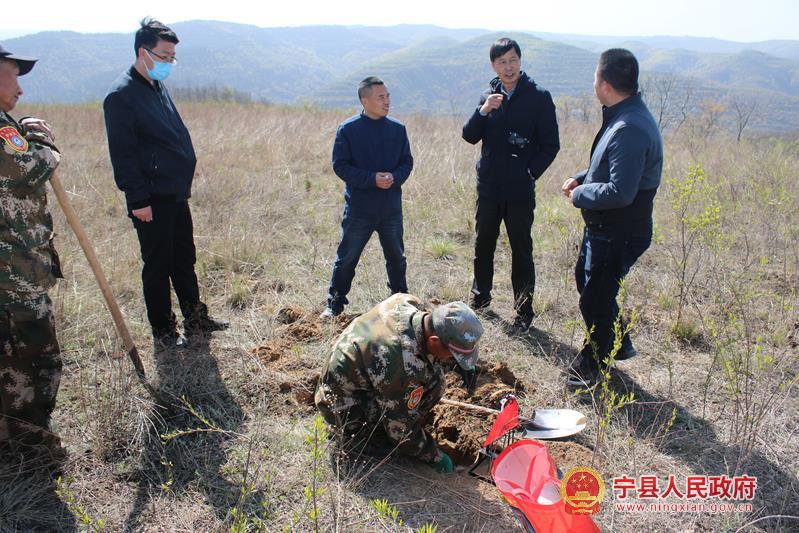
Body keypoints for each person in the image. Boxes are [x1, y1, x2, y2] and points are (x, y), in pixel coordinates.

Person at [103, 19, 227, 351]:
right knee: (158, 265)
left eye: (173, 57)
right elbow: (124, 155)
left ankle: (195, 317)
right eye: (163, 55)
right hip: (151, 198)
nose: (168, 62)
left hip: (174, 192)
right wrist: (138, 199)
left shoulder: (156, 87)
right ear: (143, 52)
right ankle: (163, 331)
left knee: (184, 258)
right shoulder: (121, 96)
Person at [562, 49, 663, 386]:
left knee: (595, 297)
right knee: (589, 284)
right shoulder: (622, 114)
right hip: (604, 227)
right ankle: (619, 342)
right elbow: (609, 166)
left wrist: (579, 195)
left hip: (619, 230)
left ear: (604, 84)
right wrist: (582, 176)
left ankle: (595, 362)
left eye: (595, 76)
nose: (593, 81)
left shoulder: (629, 127)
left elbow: (621, 191)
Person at [315, 294, 483, 473]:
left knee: (436, 380)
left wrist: (459, 361)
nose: (453, 360)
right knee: (393, 440)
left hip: (361, 373)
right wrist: (434, 456)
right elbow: (400, 429)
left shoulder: (408, 302)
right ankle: (365, 439)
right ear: (433, 341)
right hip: (341, 404)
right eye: (453, 355)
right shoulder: (401, 365)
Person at [462, 37, 560, 335]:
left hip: (519, 189)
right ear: (494, 65)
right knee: (483, 244)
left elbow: (550, 145)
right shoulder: (488, 95)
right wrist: (483, 111)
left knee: (521, 249)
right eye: (502, 62)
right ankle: (480, 299)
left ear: (520, 60)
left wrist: (530, 173)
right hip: (489, 186)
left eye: (513, 60)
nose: (509, 67)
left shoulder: (539, 97)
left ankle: (524, 310)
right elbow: (469, 136)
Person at [0, 43, 66, 461]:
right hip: (13, 274)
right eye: (13, 74)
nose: (20, 87)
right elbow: (35, 164)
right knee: (34, 360)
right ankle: (31, 450)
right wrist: (40, 136)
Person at [320, 77, 413, 318]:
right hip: (360, 208)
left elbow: (407, 162)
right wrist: (372, 179)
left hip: (390, 207)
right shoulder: (348, 130)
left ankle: (401, 304)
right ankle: (334, 304)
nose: (387, 101)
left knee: (396, 258)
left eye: (388, 96)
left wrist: (395, 177)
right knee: (347, 257)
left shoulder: (397, 129)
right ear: (365, 100)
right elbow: (340, 166)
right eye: (381, 97)